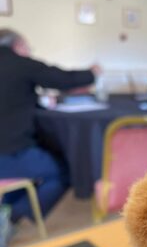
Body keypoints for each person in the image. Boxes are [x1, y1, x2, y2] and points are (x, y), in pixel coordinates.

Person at [0, 28, 101, 225]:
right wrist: (92, 73)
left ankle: (7, 210)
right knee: (65, 171)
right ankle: (11, 216)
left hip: (8, 154)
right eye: (28, 48)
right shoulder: (21, 65)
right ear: (18, 46)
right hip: (10, 154)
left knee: (27, 171)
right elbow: (63, 79)